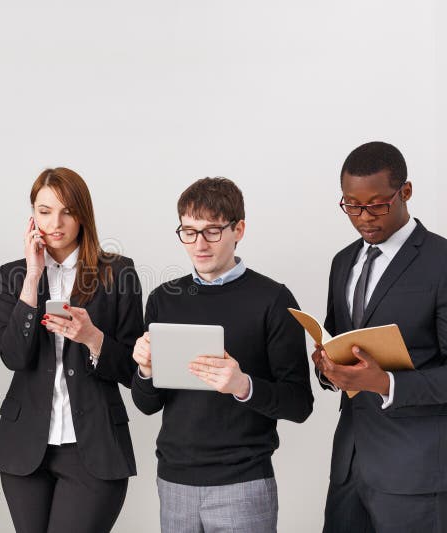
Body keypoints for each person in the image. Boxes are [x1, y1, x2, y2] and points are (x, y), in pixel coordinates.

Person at [131, 177, 313, 533]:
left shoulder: (273, 300)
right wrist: (145, 371)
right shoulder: (163, 299)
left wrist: (243, 385)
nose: (199, 244)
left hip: (242, 484)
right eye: (189, 231)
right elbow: (147, 404)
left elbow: (299, 404)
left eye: (212, 231)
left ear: (238, 229)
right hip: (174, 482)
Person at [0, 167, 143, 533]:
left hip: (93, 447)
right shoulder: (11, 276)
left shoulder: (118, 273)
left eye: (67, 211)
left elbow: (133, 370)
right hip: (25, 450)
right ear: (32, 216)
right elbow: (14, 357)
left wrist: (93, 338)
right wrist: (32, 275)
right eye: (44, 211)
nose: (55, 222)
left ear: (83, 215)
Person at [313, 142, 447, 532]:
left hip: (416, 474)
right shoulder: (343, 261)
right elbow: (336, 336)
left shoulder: (441, 263)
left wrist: (386, 383)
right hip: (349, 468)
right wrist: (325, 366)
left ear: (405, 192)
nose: (363, 218)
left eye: (376, 205)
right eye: (351, 205)